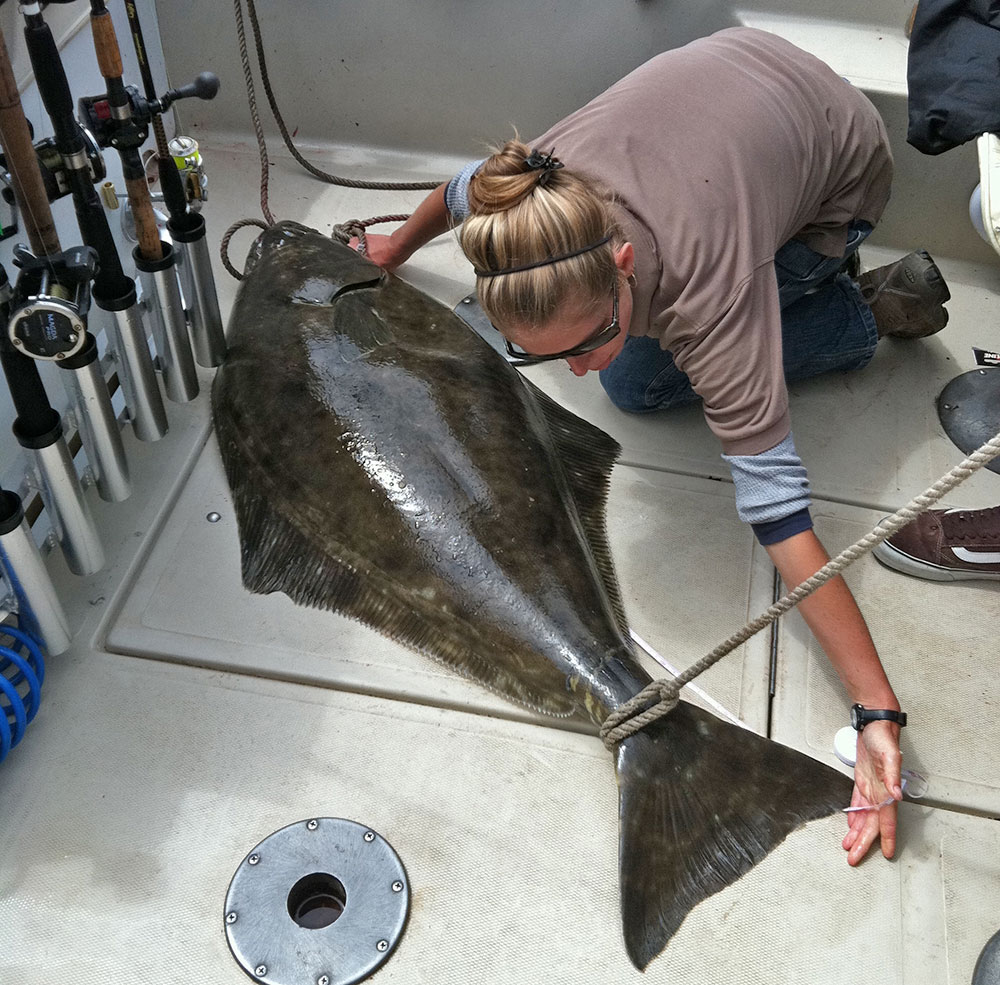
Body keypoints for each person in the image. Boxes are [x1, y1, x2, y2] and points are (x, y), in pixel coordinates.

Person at [352, 27, 952, 865]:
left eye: (586, 336)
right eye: (543, 350)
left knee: (634, 384)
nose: (575, 366)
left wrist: (877, 711)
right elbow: (459, 190)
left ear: (624, 261)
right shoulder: (524, 199)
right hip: (739, 81)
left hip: (838, 173)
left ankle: (863, 313)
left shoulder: (709, 293)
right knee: (619, 372)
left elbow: (781, 515)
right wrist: (394, 249)